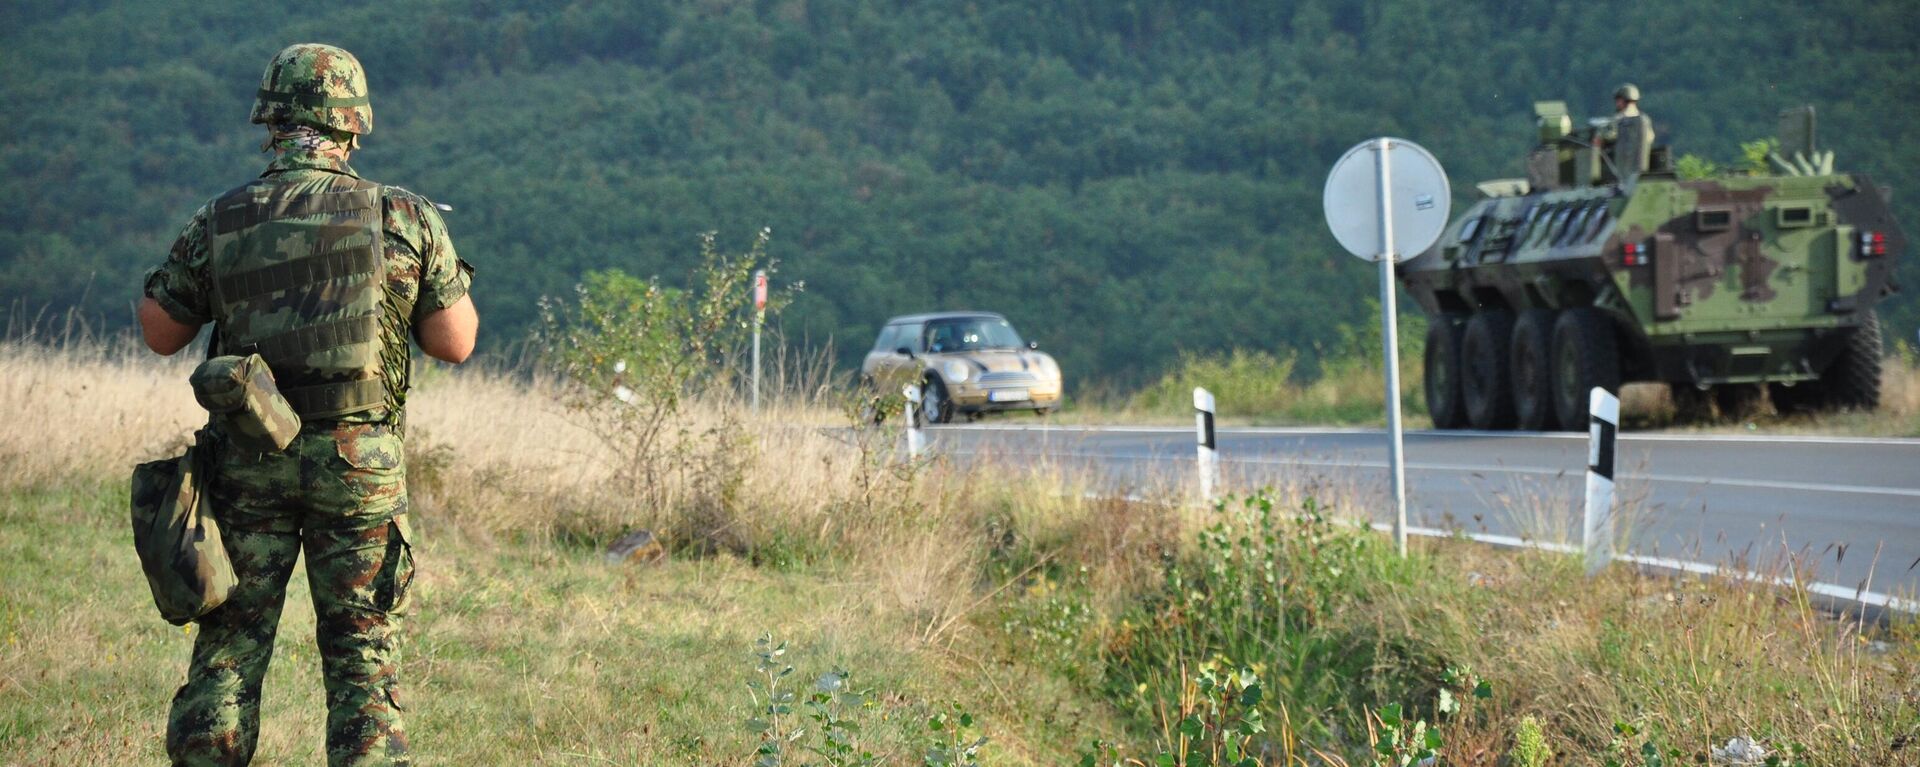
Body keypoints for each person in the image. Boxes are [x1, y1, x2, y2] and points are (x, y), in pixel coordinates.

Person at [137, 42, 478, 767]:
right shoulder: (402, 215)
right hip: (360, 470)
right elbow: (455, 341)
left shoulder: (221, 217)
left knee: (228, 645)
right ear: (353, 125)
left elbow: (160, 330)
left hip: (248, 463)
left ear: (270, 123)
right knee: (362, 660)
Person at [1600, 83, 1655, 180]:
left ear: (1622, 101)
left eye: (1618, 100)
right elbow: (1650, 138)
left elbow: (1608, 137)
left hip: (1622, 169)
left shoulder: (1618, 119)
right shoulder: (1645, 119)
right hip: (1642, 170)